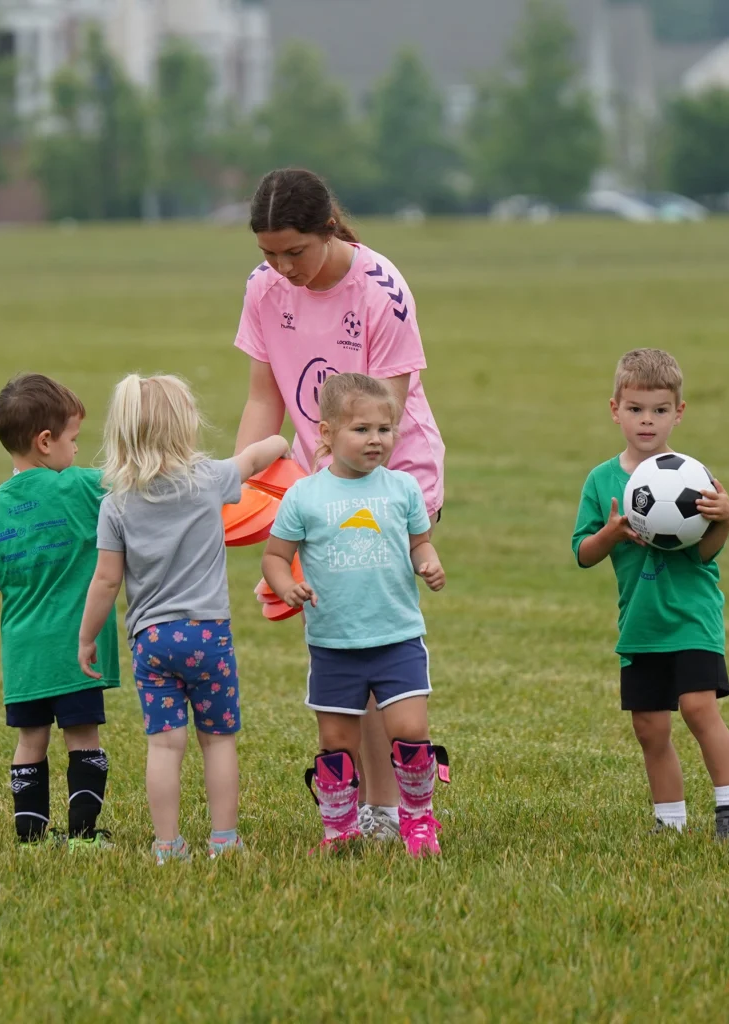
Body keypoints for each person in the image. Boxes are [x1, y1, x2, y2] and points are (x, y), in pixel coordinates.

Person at [234, 167, 445, 841]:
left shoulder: (381, 289)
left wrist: (315, 497)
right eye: (268, 253)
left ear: (327, 230)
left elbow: (375, 417)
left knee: (375, 631)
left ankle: (387, 809)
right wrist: (244, 489)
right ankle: (373, 803)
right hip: (316, 482)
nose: (280, 267)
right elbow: (263, 399)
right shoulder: (264, 289)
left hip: (392, 475)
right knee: (343, 631)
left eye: (292, 251)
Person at [78, 373, 288, 865]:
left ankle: (167, 845)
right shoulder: (209, 480)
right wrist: (281, 438)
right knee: (218, 742)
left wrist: (88, 637)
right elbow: (258, 457)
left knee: (165, 747)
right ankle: (224, 840)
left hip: (151, 641)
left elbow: (106, 582)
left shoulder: (115, 504)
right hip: (208, 636)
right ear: (185, 425)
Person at [572, 349, 729, 842]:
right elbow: (584, 554)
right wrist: (611, 533)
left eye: (659, 410)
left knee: (700, 708)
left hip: (692, 616)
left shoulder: (694, 477)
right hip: (640, 623)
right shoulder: (601, 480)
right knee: (650, 728)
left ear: (679, 412)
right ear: (615, 409)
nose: (647, 420)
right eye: (635, 409)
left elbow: (705, 555)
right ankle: (669, 821)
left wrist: (726, 519)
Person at [262, 373, 449, 857]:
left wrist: (427, 561)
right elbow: (275, 556)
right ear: (326, 434)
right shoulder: (305, 496)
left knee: (411, 732)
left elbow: (419, 542)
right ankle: (339, 829)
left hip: (397, 636)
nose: (376, 440)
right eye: (361, 429)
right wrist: (286, 587)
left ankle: (419, 821)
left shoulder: (403, 489)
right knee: (336, 742)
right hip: (333, 643)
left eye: (385, 430)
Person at [0, 373, 119, 852]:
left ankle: (30, 836)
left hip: (25, 659)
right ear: (45, 441)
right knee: (83, 738)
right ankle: (84, 836)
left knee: (30, 740)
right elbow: (136, 477)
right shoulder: (81, 487)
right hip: (77, 652)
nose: (77, 451)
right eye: (73, 439)